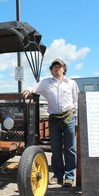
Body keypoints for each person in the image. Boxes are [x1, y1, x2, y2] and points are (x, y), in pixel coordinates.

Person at [22, 58, 79, 187]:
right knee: (56, 149)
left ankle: (70, 176)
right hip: (53, 119)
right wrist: (28, 90)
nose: (56, 68)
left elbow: (76, 102)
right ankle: (58, 175)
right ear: (52, 70)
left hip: (70, 118)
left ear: (64, 68)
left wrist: (76, 120)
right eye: (54, 67)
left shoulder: (71, 83)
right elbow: (34, 87)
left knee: (70, 148)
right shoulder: (46, 83)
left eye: (59, 66)